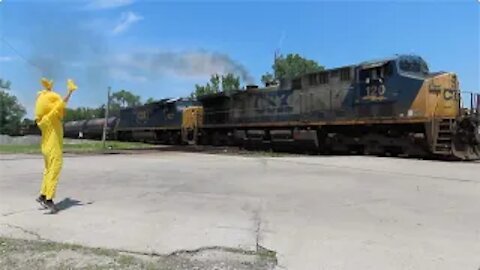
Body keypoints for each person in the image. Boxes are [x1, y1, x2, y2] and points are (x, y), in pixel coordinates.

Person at [34, 78, 77, 214]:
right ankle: (49, 199)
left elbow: (58, 106)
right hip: (53, 148)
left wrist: (48, 90)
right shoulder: (51, 117)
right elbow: (60, 104)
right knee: (54, 171)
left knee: (47, 171)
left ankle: (42, 195)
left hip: (46, 148)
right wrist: (69, 92)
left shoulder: (42, 120)